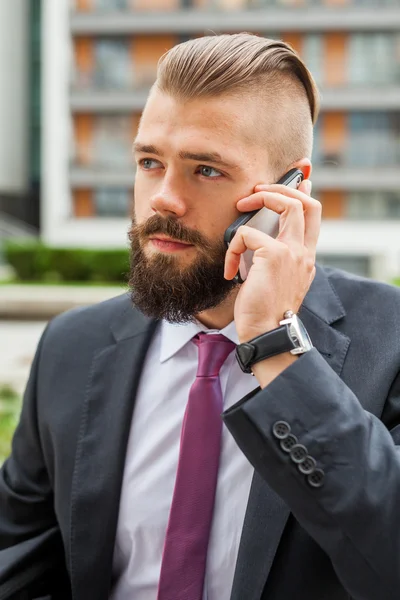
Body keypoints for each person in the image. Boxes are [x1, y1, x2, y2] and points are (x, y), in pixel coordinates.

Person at [1, 33, 400, 600]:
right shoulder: (73, 346)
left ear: (290, 191)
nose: (162, 198)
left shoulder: (390, 340)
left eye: (206, 170)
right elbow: (16, 564)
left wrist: (277, 349)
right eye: (149, 162)